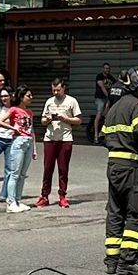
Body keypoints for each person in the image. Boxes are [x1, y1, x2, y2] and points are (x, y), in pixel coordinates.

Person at [99, 69, 138, 275]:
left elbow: (104, 137)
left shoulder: (114, 108)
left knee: (116, 212)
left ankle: (112, 259)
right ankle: (128, 259)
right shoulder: (137, 105)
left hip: (114, 166)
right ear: (136, 85)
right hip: (132, 168)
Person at [37, 78, 82, 208]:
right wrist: (48, 119)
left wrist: (66, 119)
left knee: (63, 169)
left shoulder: (71, 101)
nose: (56, 92)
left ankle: (62, 196)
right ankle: (44, 196)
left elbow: (78, 120)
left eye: (58, 90)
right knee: (47, 169)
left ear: (64, 88)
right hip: (50, 139)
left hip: (65, 139)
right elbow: (42, 120)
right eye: (53, 90)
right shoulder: (49, 102)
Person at [0, 87, 37, 213]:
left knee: (22, 174)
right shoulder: (14, 109)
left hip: (28, 142)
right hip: (18, 142)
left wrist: (34, 148)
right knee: (15, 173)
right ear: (22, 97)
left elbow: (32, 131)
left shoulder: (29, 112)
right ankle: (10, 202)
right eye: (28, 96)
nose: (31, 98)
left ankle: (17, 200)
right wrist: (13, 128)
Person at [91, 64, 117, 143]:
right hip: (100, 98)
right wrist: (108, 96)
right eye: (106, 68)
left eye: (108, 68)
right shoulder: (99, 76)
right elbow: (102, 88)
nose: (107, 70)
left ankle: (104, 134)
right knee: (99, 114)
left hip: (108, 99)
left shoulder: (111, 78)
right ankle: (96, 136)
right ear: (103, 69)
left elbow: (116, 85)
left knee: (108, 115)